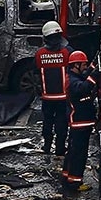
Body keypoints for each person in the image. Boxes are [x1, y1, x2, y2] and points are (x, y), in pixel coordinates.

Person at [61, 50, 98, 191]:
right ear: (76, 65)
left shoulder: (74, 76)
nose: (85, 66)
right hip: (79, 122)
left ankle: (67, 177)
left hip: (81, 122)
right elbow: (84, 87)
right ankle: (74, 183)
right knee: (78, 154)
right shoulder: (72, 81)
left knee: (72, 152)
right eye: (84, 64)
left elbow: (85, 75)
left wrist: (94, 64)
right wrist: (96, 75)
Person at [34, 21, 72, 157]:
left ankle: (47, 147)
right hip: (63, 97)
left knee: (47, 121)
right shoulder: (67, 53)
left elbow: (36, 74)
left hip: (47, 97)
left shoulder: (39, 54)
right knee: (62, 123)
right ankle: (60, 149)